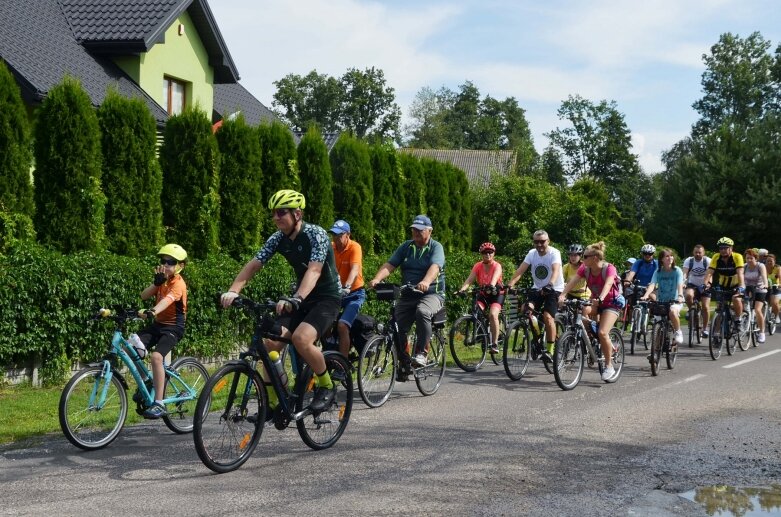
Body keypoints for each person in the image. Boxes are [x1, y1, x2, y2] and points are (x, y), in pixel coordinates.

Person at [220, 190, 340, 413]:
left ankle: (326, 385)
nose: (275, 218)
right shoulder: (277, 238)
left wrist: (296, 298)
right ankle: (275, 402)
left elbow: (314, 271)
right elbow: (254, 264)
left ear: (297, 214)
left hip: (326, 298)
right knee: (269, 344)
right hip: (300, 298)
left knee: (301, 339)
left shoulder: (317, 234)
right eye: (273, 213)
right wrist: (233, 291)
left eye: (281, 213)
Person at [367, 215, 445, 374]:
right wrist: (376, 279)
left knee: (422, 311)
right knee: (396, 326)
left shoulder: (436, 247)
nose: (416, 232)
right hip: (409, 294)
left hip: (431, 293)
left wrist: (425, 282)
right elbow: (390, 265)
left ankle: (422, 352)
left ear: (429, 231)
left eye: (420, 230)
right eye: (413, 229)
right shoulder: (406, 247)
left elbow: (435, 267)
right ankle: (405, 363)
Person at [559, 241, 624, 381]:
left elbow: (608, 284)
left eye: (585, 256)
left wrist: (600, 298)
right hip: (595, 302)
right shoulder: (585, 269)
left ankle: (609, 366)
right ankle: (592, 340)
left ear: (594, 258)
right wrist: (563, 295)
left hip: (611, 303)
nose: (583, 259)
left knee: (602, 332)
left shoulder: (609, 268)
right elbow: (573, 282)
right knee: (583, 312)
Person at [137, 244, 188, 419]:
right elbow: (143, 296)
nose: (165, 265)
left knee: (157, 357)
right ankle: (147, 381)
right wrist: (155, 283)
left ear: (180, 266)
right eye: (163, 261)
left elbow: (167, 300)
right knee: (133, 347)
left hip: (174, 327)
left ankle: (159, 403)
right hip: (158, 324)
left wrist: (152, 311)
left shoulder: (178, 284)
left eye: (170, 262)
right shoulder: (162, 280)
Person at [507, 230, 564, 360]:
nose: (539, 244)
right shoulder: (532, 254)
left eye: (542, 242)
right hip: (537, 288)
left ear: (548, 241)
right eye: (536, 242)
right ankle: (537, 339)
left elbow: (555, 271)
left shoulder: (554, 253)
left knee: (548, 317)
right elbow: (520, 271)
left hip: (554, 288)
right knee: (526, 310)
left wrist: (550, 284)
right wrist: (510, 284)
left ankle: (549, 350)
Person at [457, 242, 504, 354]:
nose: (487, 254)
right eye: (484, 252)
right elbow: (469, 280)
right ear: (481, 254)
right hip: (484, 294)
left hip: (496, 294)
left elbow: (495, 277)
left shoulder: (497, 266)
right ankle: (482, 334)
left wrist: (491, 285)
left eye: (490, 252)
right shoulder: (477, 266)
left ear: (493, 253)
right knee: (476, 311)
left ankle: (494, 343)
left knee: (493, 314)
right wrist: (462, 289)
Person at [329, 219, 365, 358]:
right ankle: (330, 344)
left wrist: (347, 286)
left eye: (339, 235)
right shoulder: (331, 247)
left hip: (354, 294)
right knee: (323, 320)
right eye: (333, 235)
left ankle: (342, 364)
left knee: (342, 326)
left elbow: (355, 269)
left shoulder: (354, 247)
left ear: (347, 235)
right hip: (336, 293)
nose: (336, 239)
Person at [640, 249, 685, 346]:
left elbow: (680, 285)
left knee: (672, 312)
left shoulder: (677, 271)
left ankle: (678, 332)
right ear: (662, 260)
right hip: (661, 301)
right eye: (667, 256)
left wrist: (680, 296)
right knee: (657, 325)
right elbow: (652, 284)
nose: (670, 258)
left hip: (675, 300)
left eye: (671, 256)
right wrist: (646, 295)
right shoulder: (658, 271)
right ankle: (654, 353)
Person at [703, 236, 746, 331]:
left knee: (736, 299)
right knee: (719, 308)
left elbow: (740, 273)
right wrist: (705, 284)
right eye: (721, 248)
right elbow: (709, 272)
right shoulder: (716, 257)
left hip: (736, 284)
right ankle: (717, 334)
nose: (722, 250)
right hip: (723, 285)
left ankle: (738, 319)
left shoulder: (737, 257)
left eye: (725, 248)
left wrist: (741, 286)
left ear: (731, 248)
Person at [682, 244, 712, 337]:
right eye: (696, 252)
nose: (698, 254)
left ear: (703, 253)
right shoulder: (689, 261)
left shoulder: (707, 261)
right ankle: (691, 310)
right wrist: (683, 282)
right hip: (692, 284)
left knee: (706, 307)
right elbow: (685, 273)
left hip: (704, 285)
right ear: (693, 253)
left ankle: (704, 329)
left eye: (700, 252)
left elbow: (710, 274)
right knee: (688, 296)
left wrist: (708, 284)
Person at [743, 248, 769, 343]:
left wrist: (765, 285)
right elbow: (740, 278)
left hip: (760, 289)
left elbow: (764, 276)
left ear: (756, 258)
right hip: (748, 289)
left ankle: (762, 332)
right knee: (743, 308)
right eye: (747, 258)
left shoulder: (760, 266)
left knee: (757, 310)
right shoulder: (744, 266)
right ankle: (745, 322)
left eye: (751, 258)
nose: (749, 260)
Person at [562, 244, 592, 319]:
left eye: (575, 255)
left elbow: (591, 280)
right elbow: (561, 280)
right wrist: (563, 284)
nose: (573, 257)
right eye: (571, 255)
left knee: (583, 316)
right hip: (570, 294)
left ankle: (587, 329)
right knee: (567, 315)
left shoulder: (585, 267)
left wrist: (585, 287)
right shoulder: (566, 267)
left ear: (580, 256)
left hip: (583, 295)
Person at [766, 254, 781, 325]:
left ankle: (777, 315)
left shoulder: (778, 268)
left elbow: (780, 278)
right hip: (767, 288)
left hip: (776, 287)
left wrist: (779, 284)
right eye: (767, 261)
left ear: (774, 261)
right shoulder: (763, 268)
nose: (769, 262)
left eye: (771, 261)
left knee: (774, 302)